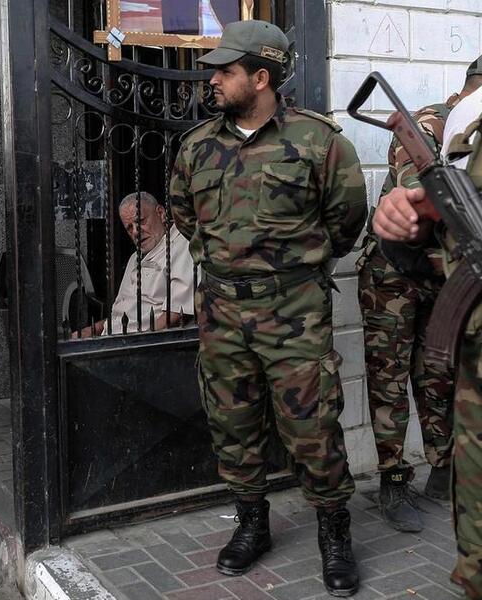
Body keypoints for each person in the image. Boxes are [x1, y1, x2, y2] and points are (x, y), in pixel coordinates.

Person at [170, 20, 367, 597]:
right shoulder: (197, 145)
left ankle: (335, 530)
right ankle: (252, 523)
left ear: (261, 77)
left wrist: (298, 267)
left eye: (226, 71)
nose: (214, 80)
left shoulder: (320, 142)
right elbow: (185, 215)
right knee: (231, 423)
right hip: (222, 311)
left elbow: (346, 219)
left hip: (295, 311)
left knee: (313, 427)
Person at [355, 58, 482, 533]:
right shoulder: (426, 124)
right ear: (469, 92)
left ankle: (442, 467)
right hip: (391, 277)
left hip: (440, 275)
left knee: (438, 372)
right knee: (389, 378)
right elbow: (417, 200)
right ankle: (392, 478)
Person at [74, 192, 195, 337]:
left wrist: (141, 342)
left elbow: (177, 313)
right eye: (129, 227)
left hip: (141, 346)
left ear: (161, 213)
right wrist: (94, 329)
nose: (136, 232)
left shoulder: (182, 245)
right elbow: (123, 313)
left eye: (141, 221)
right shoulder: (135, 258)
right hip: (113, 339)